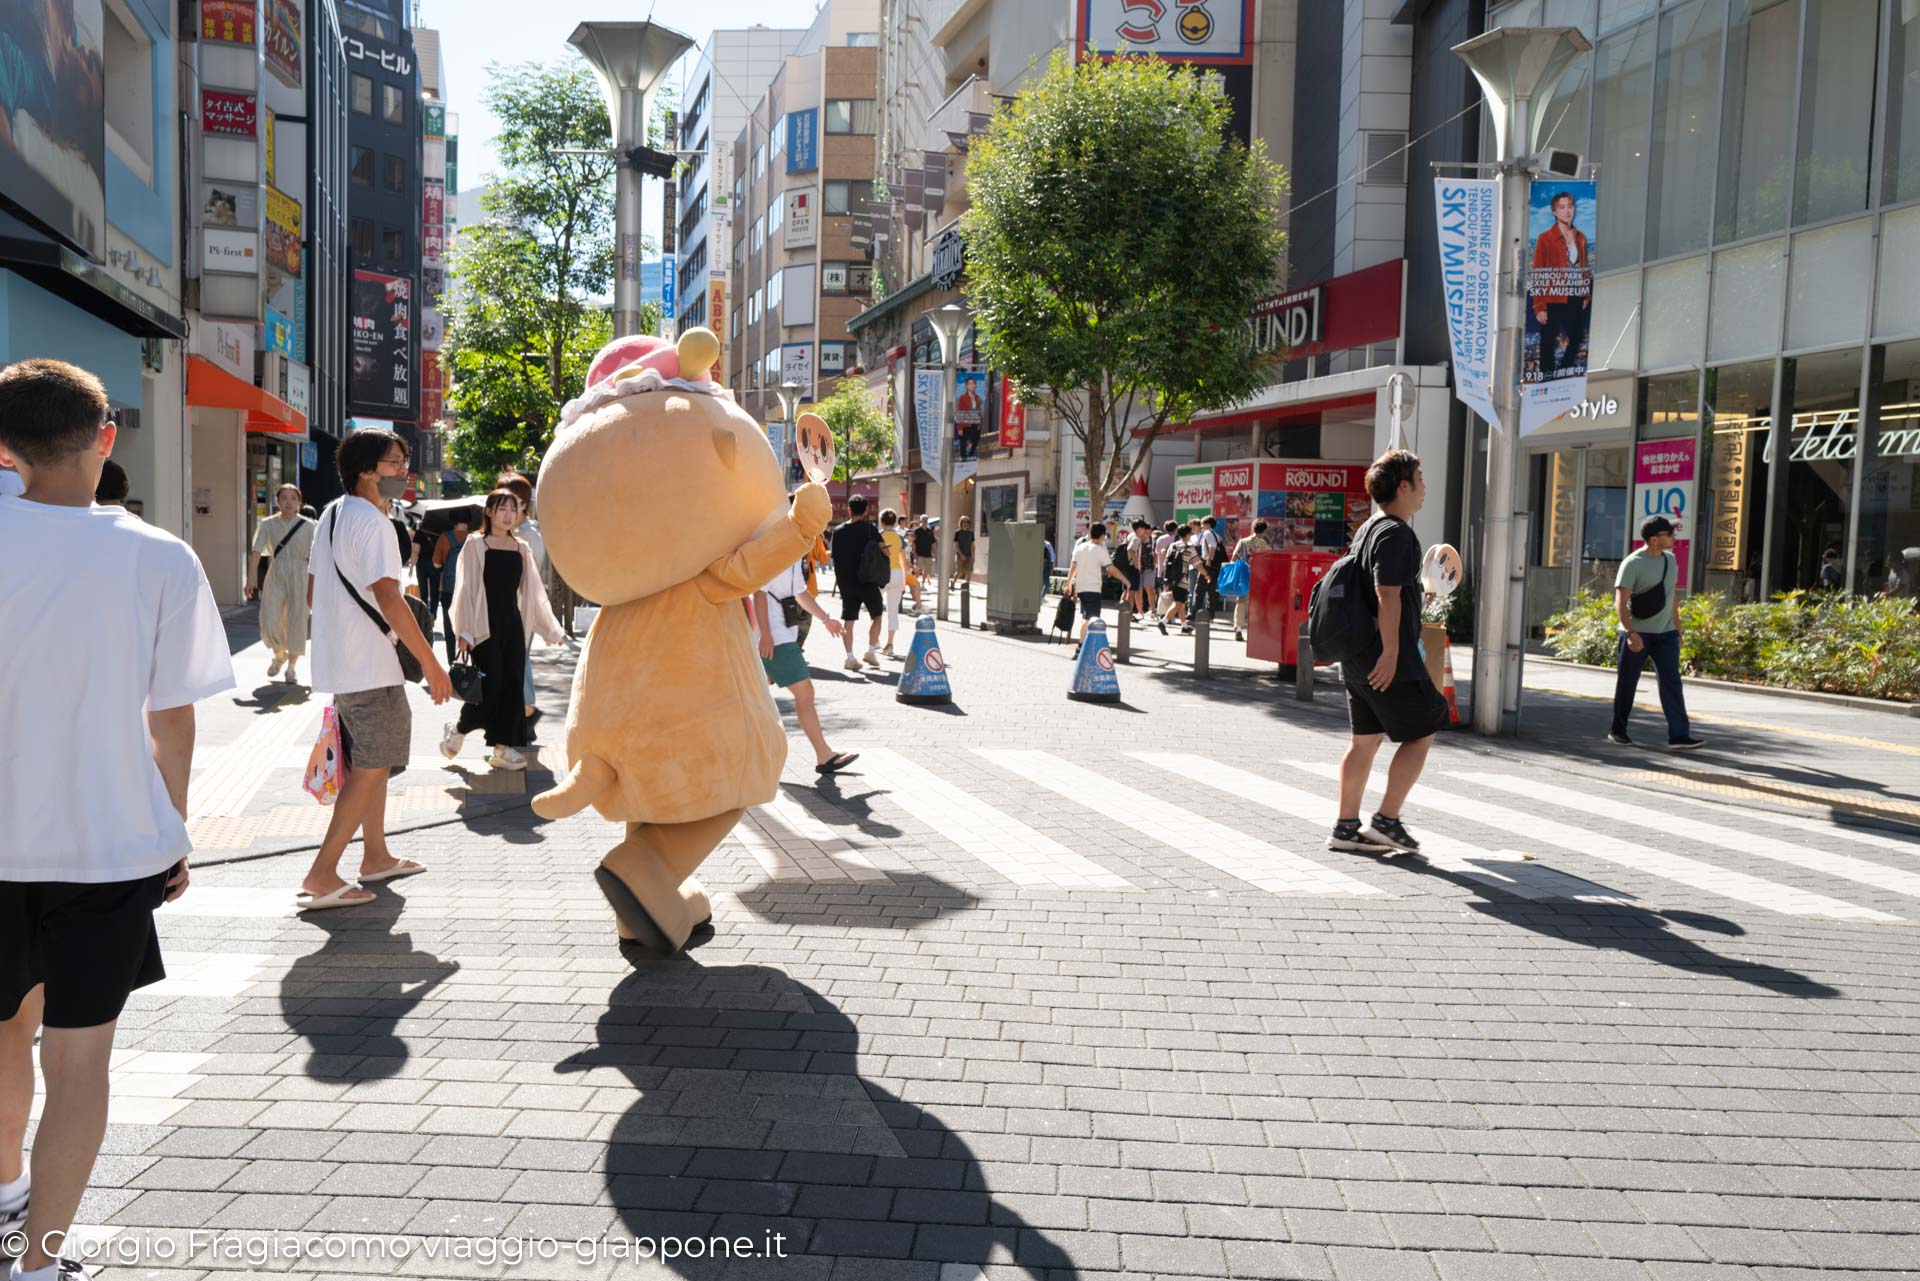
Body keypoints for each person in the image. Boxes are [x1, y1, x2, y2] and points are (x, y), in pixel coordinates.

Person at [0, 359, 232, 1281]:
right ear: (107, 437)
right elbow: (172, 716)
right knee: (80, 1061)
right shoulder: (159, 558)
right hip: (106, 850)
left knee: (2, 1032)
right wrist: (172, 826)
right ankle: (42, 1263)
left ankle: (4, 1194)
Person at [300, 427, 452, 911]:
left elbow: (312, 593)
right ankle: (323, 873)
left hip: (342, 663)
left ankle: (376, 855)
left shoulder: (329, 515)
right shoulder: (376, 523)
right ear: (366, 469)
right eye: (394, 463)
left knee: (373, 761)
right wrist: (430, 662)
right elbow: (388, 595)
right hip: (370, 665)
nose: (402, 472)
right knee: (370, 767)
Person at [1329, 449, 1451, 857]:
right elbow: (1386, 593)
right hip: (1384, 656)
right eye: (1420, 478)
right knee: (1425, 728)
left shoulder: (1369, 528)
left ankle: (1346, 828)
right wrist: (1393, 653)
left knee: (1364, 740)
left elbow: (1385, 591)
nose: (1424, 488)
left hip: (1357, 652)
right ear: (1403, 485)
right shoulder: (1397, 533)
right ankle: (1387, 820)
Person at [442, 489, 565, 772]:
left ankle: (502, 748)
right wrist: (464, 630)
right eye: (502, 509)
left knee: (512, 687)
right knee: (491, 685)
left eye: (514, 510)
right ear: (489, 512)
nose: (509, 515)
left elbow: (533, 592)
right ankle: (459, 728)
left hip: (512, 626)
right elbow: (465, 591)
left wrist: (549, 629)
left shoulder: (522, 548)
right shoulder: (475, 545)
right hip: (484, 628)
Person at [756, 550, 857, 775]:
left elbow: (800, 592)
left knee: (759, 697)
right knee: (805, 693)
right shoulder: (778, 549)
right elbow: (759, 593)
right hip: (774, 636)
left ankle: (757, 756)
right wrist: (764, 633)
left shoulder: (795, 553)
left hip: (782, 634)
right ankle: (824, 755)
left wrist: (826, 619)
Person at [1609, 515, 1705, 751]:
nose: (1674, 537)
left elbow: (1671, 598)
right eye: (1669, 534)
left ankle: (1679, 736)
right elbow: (1620, 603)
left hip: (1665, 635)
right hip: (1637, 634)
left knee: (1672, 682)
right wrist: (1631, 633)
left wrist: (1678, 629)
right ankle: (1618, 730)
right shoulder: (1632, 563)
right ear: (1654, 539)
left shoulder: (1670, 561)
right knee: (1627, 683)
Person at [247, 484, 315, 683]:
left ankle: (291, 668)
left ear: (299, 503)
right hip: (276, 573)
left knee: (297, 620)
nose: (288, 502)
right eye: (284, 498)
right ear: (277, 501)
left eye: (293, 498)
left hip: (301, 575)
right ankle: (279, 655)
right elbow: (257, 552)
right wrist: (250, 580)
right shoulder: (267, 524)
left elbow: (317, 558)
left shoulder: (309, 526)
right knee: (270, 619)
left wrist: (316, 585)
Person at [496, 473, 549, 725]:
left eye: (510, 502)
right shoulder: (517, 533)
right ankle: (523, 714)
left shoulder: (527, 536)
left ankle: (525, 714)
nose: (504, 509)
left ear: (524, 504)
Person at [1530, 190, 1591, 378]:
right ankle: (1548, 378)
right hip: (1553, 296)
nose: (1567, 211)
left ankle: (1562, 372)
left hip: (1574, 295)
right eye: (1562, 207)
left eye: (1570, 206)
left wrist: (1585, 293)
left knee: (1578, 337)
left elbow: (1584, 266)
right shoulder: (1545, 238)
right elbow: (1539, 271)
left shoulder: (1580, 237)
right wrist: (1539, 306)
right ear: (1554, 211)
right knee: (1548, 340)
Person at [829, 495, 886, 672]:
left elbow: (834, 558)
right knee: (877, 615)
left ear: (849, 510)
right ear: (866, 511)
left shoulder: (838, 531)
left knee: (849, 620)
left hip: (847, 582)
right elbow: (884, 551)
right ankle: (870, 651)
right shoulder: (871, 530)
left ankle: (850, 657)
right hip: (867, 580)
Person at [1063, 522, 1128, 657]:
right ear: (1103, 535)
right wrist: (1125, 579)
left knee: (1086, 617)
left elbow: (1073, 567)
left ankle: (1084, 647)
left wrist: (1069, 584)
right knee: (1090, 619)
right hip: (1093, 588)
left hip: (1081, 587)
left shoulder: (1080, 548)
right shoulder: (1099, 550)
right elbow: (1110, 568)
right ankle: (1082, 648)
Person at [1231, 518, 1274, 642]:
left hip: (1244, 576)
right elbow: (1268, 565)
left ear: (1253, 528)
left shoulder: (1243, 542)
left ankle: (1238, 629)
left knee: (1241, 602)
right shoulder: (1266, 546)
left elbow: (1234, 558)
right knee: (1257, 604)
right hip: (1259, 578)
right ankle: (1255, 630)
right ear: (1264, 531)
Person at [433, 518, 469, 666]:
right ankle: (468, 661)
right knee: (469, 626)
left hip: (448, 589)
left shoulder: (444, 537)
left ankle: (452, 662)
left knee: (449, 627)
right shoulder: (474, 537)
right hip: (468, 590)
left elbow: (436, 564)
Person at [878, 508, 909, 657]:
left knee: (875, 608)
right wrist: (904, 580)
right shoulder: (900, 537)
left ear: (881, 521)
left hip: (881, 574)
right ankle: (890, 644)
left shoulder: (879, 536)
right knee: (893, 611)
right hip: (897, 574)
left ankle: (875, 640)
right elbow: (904, 560)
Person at [1162, 524, 1193, 634]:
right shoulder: (1189, 547)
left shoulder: (1173, 546)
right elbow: (1197, 563)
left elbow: (1166, 560)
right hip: (1182, 579)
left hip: (1173, 578)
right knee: (1178, 603)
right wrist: (1206, 574)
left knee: (1181, 603)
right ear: (1188, 534)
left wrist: (1167, 578)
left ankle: (1184, 626)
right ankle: (1163, 622)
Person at [952, 515, 975, 591]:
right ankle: (953, 582)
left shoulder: (971, 533)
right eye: (963, 521)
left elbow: (972, 544)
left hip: (969, 555)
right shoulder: (957, 532)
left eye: (967, 522)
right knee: (959, 572)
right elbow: (956, 545)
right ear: (961, 523)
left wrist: (973, 555)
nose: (965, 523)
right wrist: (961, 554)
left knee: (968, 571)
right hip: (960, 555)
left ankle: (966, 587)